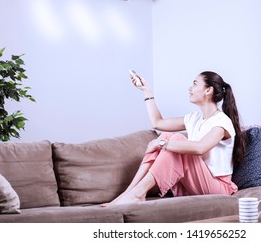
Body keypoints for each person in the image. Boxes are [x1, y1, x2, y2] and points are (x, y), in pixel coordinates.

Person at [101, 71, 245, 207]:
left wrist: (162, 143)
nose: (190, 88)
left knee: (174, 139)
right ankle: (129, 193)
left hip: (218, 187)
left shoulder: (222, 121)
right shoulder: (194, 119)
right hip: (195, 183)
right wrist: (147, 91)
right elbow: (157, 123)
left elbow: (200, 148)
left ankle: (137, 193)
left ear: (208, 90)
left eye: (195, 84)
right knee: (167, 136)